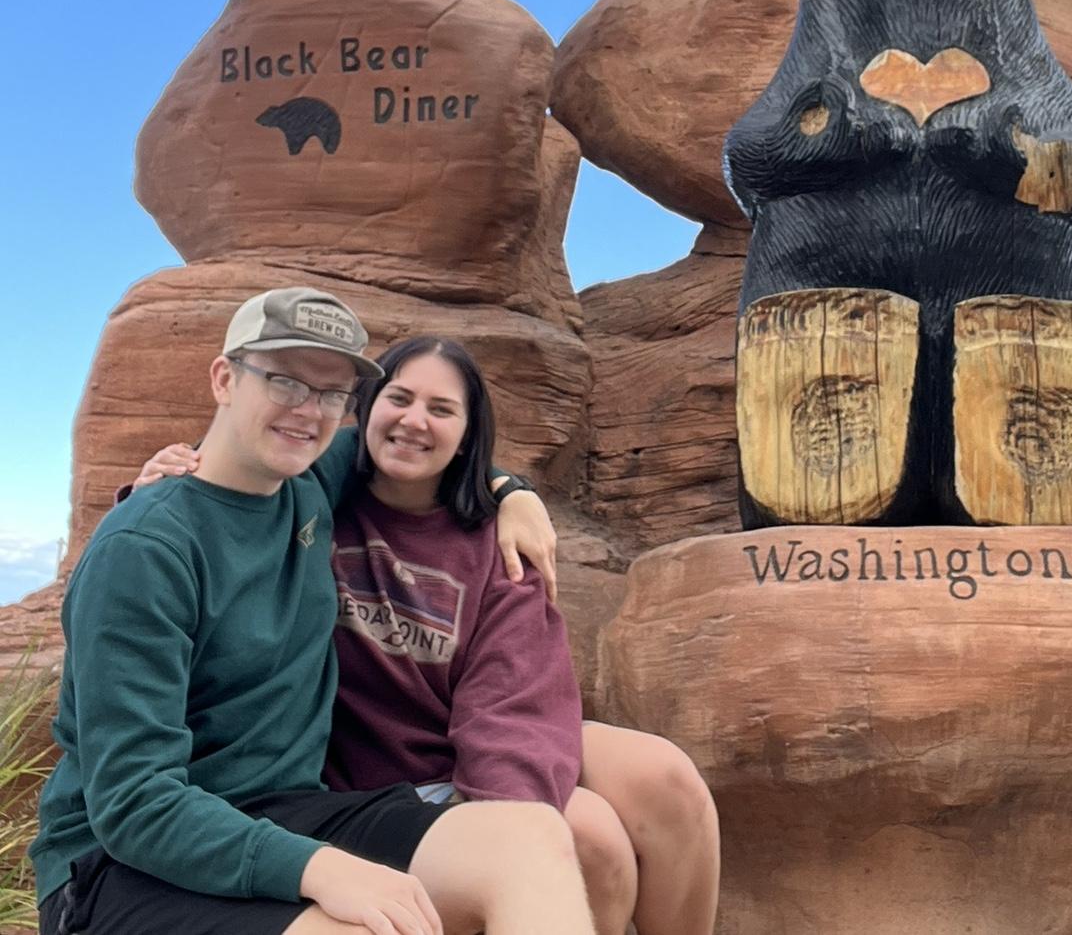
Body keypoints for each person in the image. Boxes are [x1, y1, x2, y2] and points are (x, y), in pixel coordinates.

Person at [30, 286, 596, 935]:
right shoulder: (145, 550)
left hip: (286, 811)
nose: (310, 411)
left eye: (332, 394)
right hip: (117, 866)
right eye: (285, 382)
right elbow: (132, 803)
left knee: (526, 839)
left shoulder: (311, 478)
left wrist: (514, 492)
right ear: (224, 379)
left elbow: (415, 439)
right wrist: (322, 869)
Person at [139, 334, 721, 935]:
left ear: (469, 434)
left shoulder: (498, 543)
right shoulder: (312, 493)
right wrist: (165, 487)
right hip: (351, 781)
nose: (415, 420)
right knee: (593, 832)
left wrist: (498, 816)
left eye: (442, 410)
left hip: (465, 748)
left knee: (659, 775)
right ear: (365, 407)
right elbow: (223, 501)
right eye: (399, 398)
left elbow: (511, 696)